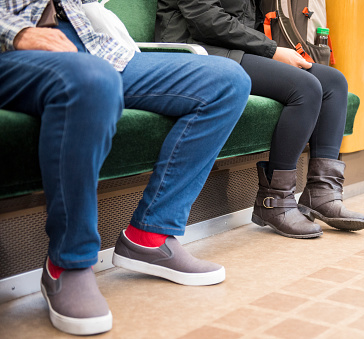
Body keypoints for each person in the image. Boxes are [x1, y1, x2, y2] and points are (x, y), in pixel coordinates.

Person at [0, 0, 251, 335]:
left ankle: (151, 234)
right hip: (15, 47)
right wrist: (16, 33)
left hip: (95, 45)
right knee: (93, 80)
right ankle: (68, 262)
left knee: (228, 81)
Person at [155, 0, 364, 239]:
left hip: (235, 48)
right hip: (195, 49)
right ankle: (274, 202)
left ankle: (322, 193)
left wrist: (269, 49)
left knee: (333, 83)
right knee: (304, 87)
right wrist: (272, 50)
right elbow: (203, 16)